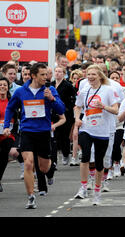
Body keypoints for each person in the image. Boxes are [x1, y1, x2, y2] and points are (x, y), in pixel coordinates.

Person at [3, 63, 66, 209]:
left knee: (43, 168)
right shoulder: (21, 91)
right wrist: (6, 126)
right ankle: (31, 196)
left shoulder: (49, 90)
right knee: (29, 163)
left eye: (46, 74)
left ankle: (50, 171)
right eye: (43, 75)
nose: (46, 77)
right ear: (33, 76)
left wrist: (52, 99)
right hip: (27, 131)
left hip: (43, 132)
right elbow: (10, 108)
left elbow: (61, 109)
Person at [73, 65, 120, 205]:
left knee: (100, 163)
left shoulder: (109, 90)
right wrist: (77, 119)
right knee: (85, 156)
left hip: (103, 130)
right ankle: (83, 187)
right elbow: (78, 106)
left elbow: (116, 110)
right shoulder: (84, 90)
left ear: (100, 76)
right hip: (87, 128)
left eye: (93, 74)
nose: (90, 77)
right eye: (88, 74)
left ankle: (97, 191)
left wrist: (103, 106)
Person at [52, 66, 76, 165]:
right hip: (54, 113)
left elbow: (73, 99)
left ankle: (66, 154)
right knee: (55, 136)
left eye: (60, 72)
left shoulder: (68, 85)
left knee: (64, 136)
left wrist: (68, 108)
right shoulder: (51, 85)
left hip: (66, 114)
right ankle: (54, 158)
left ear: (64, 73)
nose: (57, 73)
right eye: (56, 71)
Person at [0, 78, 15, 192]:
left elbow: (16, 117)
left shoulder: (11, 101)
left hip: (8, 134)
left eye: (5, 85)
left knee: (4, 155)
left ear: (8, 87)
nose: (2, 87)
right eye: (0, 85)